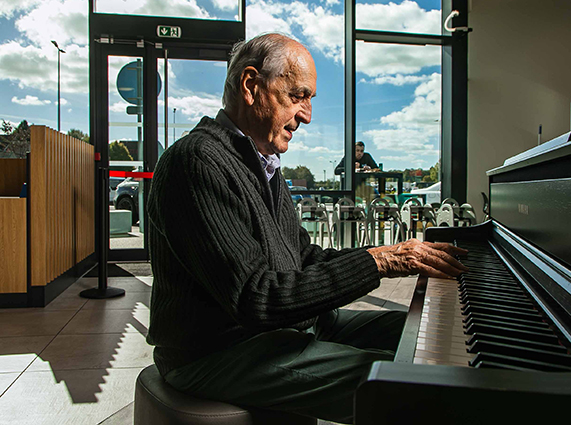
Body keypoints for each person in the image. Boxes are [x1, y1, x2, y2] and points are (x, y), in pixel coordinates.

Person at [145, 33, 467, 424]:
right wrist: (379, 262)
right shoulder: (196, 162)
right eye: (299, 95)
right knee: (412, 383)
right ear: (251, 86)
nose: (308, 114)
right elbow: (256, 298)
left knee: (430, 336)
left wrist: (398, 255)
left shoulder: (262, 163)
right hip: (219, 350)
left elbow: (304, 257)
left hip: (283, 331)